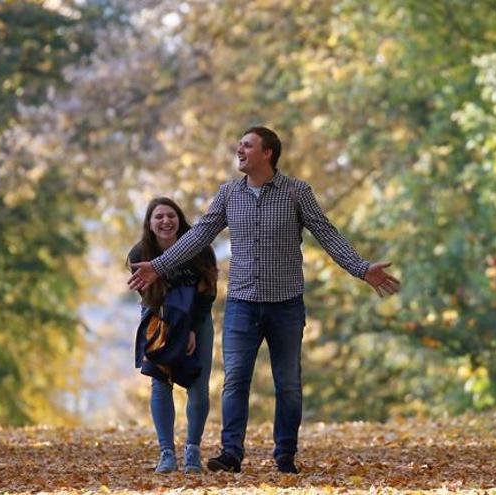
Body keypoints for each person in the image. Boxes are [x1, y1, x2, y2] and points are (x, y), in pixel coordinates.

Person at [127, 126, 400, 474]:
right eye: (239, 146)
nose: (239, 151)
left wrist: (361, 269)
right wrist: (159, 266)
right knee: (235, 380)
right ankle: (231, 453)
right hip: (241, 303)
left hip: (285, 303)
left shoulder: (297, 192)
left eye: (247, 146)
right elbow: (197, 236)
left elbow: (327, 233)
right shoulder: (229, 194)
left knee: (288, 384)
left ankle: (284, 453)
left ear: (267, 152)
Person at [127, 197, 218, 474]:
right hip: (159, 319)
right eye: (159, 217)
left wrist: (190, 330)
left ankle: (193, 450)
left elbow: (209, 293)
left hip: (197, 320)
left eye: (171, 215)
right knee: (160, 383)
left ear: (179, 219)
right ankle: (166, 453)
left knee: (198, 387)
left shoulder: (200, 249)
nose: (166, 221)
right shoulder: (139, 253)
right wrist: (172, 332)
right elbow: (149, 296)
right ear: (150, 223)